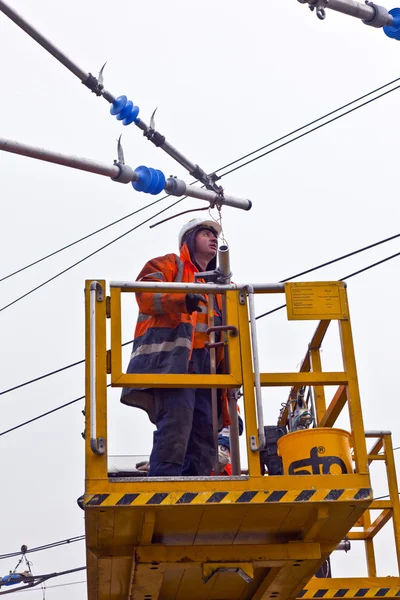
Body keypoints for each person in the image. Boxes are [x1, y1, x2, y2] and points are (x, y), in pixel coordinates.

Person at [121, 217, 231, 477]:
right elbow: (145, 293)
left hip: (210, 368)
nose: (214, 238)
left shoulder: (216, 286)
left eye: (215, 235)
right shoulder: (171, 264)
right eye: (206, 233)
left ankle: (198, 484)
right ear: (190, 239)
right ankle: (164, 482)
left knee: (206, 430)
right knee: (177, 424)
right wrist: (181, 298)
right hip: (179, 361)